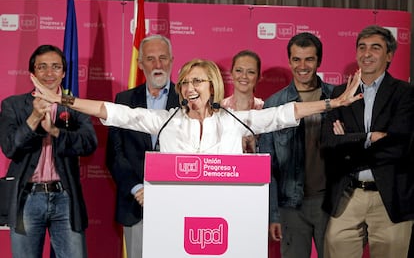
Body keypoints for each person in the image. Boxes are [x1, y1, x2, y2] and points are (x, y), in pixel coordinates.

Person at [31, 57, 361, 166]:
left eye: (198, 81)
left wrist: (335, 102)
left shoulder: (235, 120)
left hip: (225, 215)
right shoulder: (164, 121)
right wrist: (64, 100)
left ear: (212, 85)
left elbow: (285, 113)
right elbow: (114, 111)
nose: (190, 87)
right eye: (185, 82)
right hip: (176, 216)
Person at [321, 25, 414, 258]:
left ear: (389, 55)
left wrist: (349, 142)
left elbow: (399, 147)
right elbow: (329, 144)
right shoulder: (340, 93)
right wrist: (368, 138)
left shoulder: (405, 94)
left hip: (390, 198)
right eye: (362, 47)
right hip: (348, 194)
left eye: (375, 48)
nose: (367, 53)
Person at [0, 45, 98, 258]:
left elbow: (89, 143)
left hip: (65, 198)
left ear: (63, 72)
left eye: (55, 67)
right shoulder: (13, 106)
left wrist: (55, 131)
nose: (49, 73)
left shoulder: (74, 106)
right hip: (27, 198)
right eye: (42, 67)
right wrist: (34, 118)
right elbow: (9, 147)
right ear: (32, 73)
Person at [259, 32, 333, 257]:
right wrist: (273, 214)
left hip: (331, 204)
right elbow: (268, 166)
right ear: (289, 61)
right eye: (296, 59)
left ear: (319, 61)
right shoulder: (274, 104)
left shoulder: (336, 97)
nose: (303, 66)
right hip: (290, 206)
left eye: (309, 59)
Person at [105, 35, 179, 258]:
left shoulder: (186, 99)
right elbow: (114, 154)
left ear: (172, 60)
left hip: (177, 203)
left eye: (163, 58)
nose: (158, 65)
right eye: (150, 59)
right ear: (140, 64)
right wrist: (137, 188)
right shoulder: (124, 100)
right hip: (136, 204)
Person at [221, 50, 264, 153]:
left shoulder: (264, 109)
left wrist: (257, 145)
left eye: (251, 72)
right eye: (239, 70)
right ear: (231, 73)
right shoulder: (219, 109)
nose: (244, 76)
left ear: (258, 77)